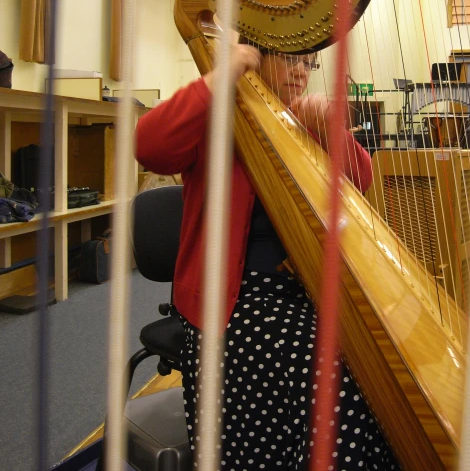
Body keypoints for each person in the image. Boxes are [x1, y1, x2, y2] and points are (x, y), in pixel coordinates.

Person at [135, 42, 398, 470]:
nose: (301, 71)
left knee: (377, 368)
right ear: (255, 56)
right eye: (290, 59)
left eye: (308, 63)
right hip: (232, 302)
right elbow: (149, 145)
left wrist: (331, 128)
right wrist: (226, 72)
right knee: (335, 382)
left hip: (302, 289)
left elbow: (362, 177)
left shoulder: (303, 122)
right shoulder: (216, 114)